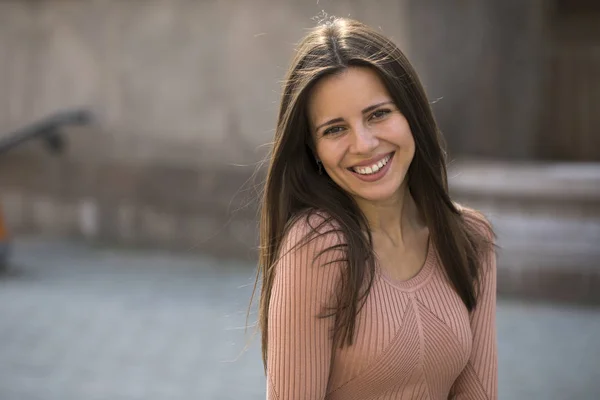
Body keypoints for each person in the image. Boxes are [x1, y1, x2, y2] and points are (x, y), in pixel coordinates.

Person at [252, 17, 497, 400]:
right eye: (335, 129)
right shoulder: (316, 246)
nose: (364, 144)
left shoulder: (469, 240)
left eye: (378, 114)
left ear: (411, 115)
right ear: (313, 152)